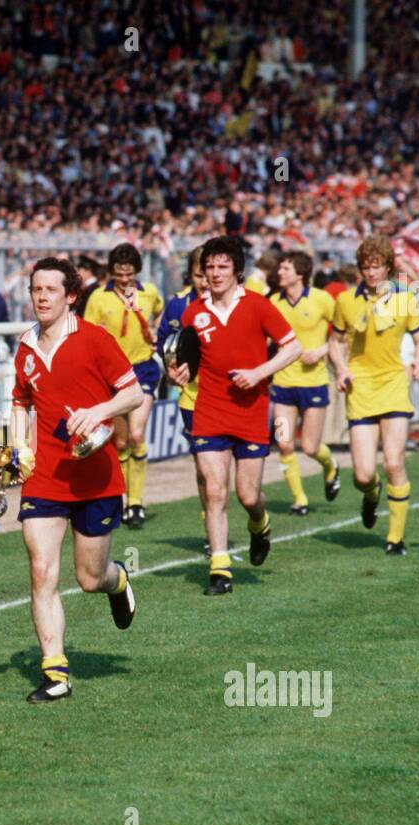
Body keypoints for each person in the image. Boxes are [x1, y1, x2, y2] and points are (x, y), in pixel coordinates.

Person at [10, 257, 142, 702]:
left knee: (88, 577)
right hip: (45, 476)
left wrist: (98, 410)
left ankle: (117, 580)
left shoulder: (95, 339)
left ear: (71, 296)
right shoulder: (25, 347)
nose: (41, 297)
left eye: (50, 290)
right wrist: (18, 448)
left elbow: (134, 391)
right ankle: (55, 673)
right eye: (35, 289)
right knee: (42, 571)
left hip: (95, 475)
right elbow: (20, 402)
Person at [177, 235, 302, 594]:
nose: (214, 273)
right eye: (209, 267)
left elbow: (293, 348)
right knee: (215, 490)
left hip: (250, 412)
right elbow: (189, 361)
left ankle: (259, 524)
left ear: (237, 270)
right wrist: (180, 373)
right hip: (210, 411)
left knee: (248, 495)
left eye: (222, 266)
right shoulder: (194, 312)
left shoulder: (259, 306)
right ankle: (220, 569)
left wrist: (258, 374)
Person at [328, 236, 419, 554]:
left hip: (393, 384)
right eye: (366, 267)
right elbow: (335, 341)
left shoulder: (404, 300)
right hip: (361, 387)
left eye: (377, 266)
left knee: (394, 462)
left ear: (387, 267)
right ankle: (371, 496)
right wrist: (342, 369)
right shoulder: (346, 301)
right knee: (363, 474)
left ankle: (395, 538)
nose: (371, 273)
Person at [81, 242, 164, 528]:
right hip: (111, 374)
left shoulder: (149, 292)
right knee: (120, 441)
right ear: (112, 271)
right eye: (119, 274)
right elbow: (87, 333)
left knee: (137, 435)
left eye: (129, 274)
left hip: (143, 369)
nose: (125, 279)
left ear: (136, 271)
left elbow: (161, 315)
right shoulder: (98, 298)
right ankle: (122, 496)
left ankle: (137, 503)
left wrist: (156, 335)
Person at [269, 250, 341, 515]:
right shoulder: (273, 302)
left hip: (314, 382)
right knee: (285, 442)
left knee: (310, 446)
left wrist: (321, 352)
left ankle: (330, 465)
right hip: (283, 383)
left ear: (300, 273)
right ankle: (300, 499)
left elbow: (343, 333)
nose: (280, 273)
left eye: (285, 269)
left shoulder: (322, 299)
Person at [158, 246, 208, 550]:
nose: (206, 281)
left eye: (211, 273)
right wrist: (171, 368)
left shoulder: (233, 303)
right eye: (200, 274)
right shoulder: (178, 305)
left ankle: (256, 514)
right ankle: (211, 534)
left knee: (244, 485)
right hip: (192, 396)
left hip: (228, 396)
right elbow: (164, 341)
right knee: (204, 469)